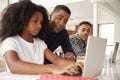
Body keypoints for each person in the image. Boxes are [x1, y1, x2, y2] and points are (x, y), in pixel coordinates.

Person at [0, 1, 83, 75]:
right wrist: (52, 69)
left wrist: (74, 65)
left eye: (41, 22)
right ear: (23, 20)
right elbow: (14, 66)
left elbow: (55, 59)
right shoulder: (10, 41)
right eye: (35, 21)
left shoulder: (39, 42)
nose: (39, 26)